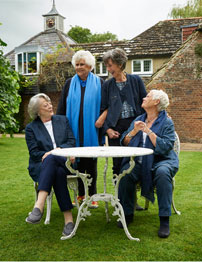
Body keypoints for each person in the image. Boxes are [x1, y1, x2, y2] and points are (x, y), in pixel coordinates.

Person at [118, 90, 179, 238]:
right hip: (140, 161)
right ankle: (127, 213)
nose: (144, 98)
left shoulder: (167, 122)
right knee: (126, 173)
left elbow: (165, 147)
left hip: (162, 160)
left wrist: (148, 131)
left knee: (163, 173)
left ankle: (164, 220)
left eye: (148, 96)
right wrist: (133, 131)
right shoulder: (139, 119)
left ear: (156, 102)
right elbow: (124, 142)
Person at [57, 50, 104, 208]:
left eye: (82, 64)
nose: (78, 67)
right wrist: (61, 129)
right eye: (76, 64)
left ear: (90, 66)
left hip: (92, 131)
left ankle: (92, 195)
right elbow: (62, 108)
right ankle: (80, 195)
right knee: (76, 164)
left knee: (91, 163)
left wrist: (102, 120)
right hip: (73, 131)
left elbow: (106, 106)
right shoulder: (69, 83)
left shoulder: (100, 83)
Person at [25, 93, 76, 236]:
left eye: (49, 103)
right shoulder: (31, 128)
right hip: (42, 166)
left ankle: (38, 206)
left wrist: (57, 151)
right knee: (57, 172)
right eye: (45, 105)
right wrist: (50, 154)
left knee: (53, 158)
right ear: (38, 111)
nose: (50, 105)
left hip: (66, 161)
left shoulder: (62, 120)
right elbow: (34, 153)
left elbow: (71, 142)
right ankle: (69, 220)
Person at [100, 48, 147, 176]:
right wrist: (107, 130)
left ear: (120, 64)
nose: (108, 69)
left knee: (136, 161)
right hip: (116, 129)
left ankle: (131, 193)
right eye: (106, 66)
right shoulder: (107, 85)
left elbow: (145, 103)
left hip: (135, 125)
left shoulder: (135, 80)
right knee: (117, 164)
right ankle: (118, 194)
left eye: (110, 66)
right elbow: (103, 110)